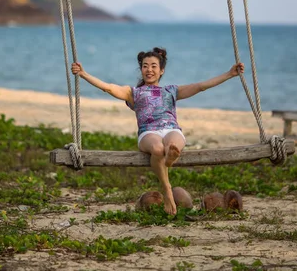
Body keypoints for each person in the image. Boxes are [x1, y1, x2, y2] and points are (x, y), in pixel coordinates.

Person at [71, 47, 244, 215]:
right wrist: (83, 74)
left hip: (171, 128)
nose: (149, 70)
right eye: (145, 66)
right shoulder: (133, 92)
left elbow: (201, 86)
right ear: (141, 69)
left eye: (154, 66)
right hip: (148, 132)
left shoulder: (171, 91)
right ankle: (167, 189)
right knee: (157, 149)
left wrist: (229, 74)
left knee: (173, 143)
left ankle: (170, 156)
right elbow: (108, 87)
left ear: (161, 70)